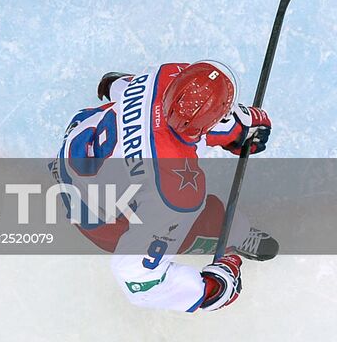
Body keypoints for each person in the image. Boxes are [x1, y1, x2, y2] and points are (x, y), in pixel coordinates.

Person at [54, 61, 276, 313]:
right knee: (209, 217)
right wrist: (213, 288)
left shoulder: (162, 76)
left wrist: (236, 130)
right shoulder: (174, 193)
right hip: (103, 224)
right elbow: (136, 277)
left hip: (76, 162)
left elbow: (119, 87)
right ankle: (233, 237)